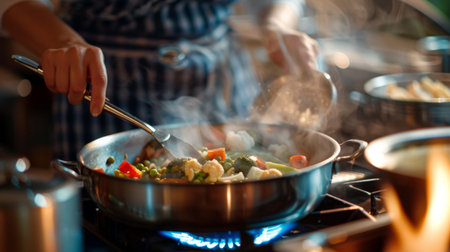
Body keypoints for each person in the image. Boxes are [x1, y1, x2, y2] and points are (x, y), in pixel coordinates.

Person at [1, 0, 319, 160]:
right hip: (101, 79)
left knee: (240, 162)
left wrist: (277, 27)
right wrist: (64, 42)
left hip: (220, 77)